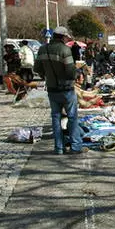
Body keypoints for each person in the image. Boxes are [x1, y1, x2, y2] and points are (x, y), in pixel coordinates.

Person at [34, 26, 84, 155]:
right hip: (66, 89)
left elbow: (37, 68)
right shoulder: (64, 49)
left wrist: (46, 75)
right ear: (62, 37)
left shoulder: (42, 49)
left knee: (55, 117)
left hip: (52, 89)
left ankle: (59, 148)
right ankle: (75, 146)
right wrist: (76, 73)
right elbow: (69, 70)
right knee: (72, 117)